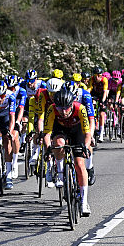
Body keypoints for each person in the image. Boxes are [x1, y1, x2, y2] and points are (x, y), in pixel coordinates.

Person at [38, 86, 93, 216]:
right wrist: (48, 149)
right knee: (58, 144)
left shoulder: (80, 108)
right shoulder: (52, 109)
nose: (63, 111)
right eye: (60, 108)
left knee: (79, 164)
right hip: (60, 130)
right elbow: (47, 134)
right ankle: (61, 174)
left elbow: (87, 134)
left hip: (77, 130)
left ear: (71, 104)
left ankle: (84, 202)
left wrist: (85, 146)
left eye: (66, 108)